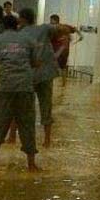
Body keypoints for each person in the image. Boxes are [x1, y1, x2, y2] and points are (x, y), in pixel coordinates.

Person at [0, 15, 39, 172]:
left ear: (2, 26)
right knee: (27, 125)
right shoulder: (28, 41)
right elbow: (35, 63)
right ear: (17, 26)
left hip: (4, 88)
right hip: (25, 89)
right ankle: (31, 164)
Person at [16, 8, 58, 147]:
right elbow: (62, 29)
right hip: (46, 74)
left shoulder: (20, 34)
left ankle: (12, 138)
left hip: (28, 76)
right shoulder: (45, 28)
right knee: (46, 107)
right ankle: (47, 141)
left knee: (22, 107)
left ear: (22, 19)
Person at [49, 14, 83, 87]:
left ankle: (56, 83)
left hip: (58, 51)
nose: (50, 22)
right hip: (64, 51)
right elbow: (75, 29)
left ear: (55, 20)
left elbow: (74, 29)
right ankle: (63, 84)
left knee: (55, 66)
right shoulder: (65, 27)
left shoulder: (54, 28)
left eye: (51, 21)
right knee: (62, 67)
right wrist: (81, 35)